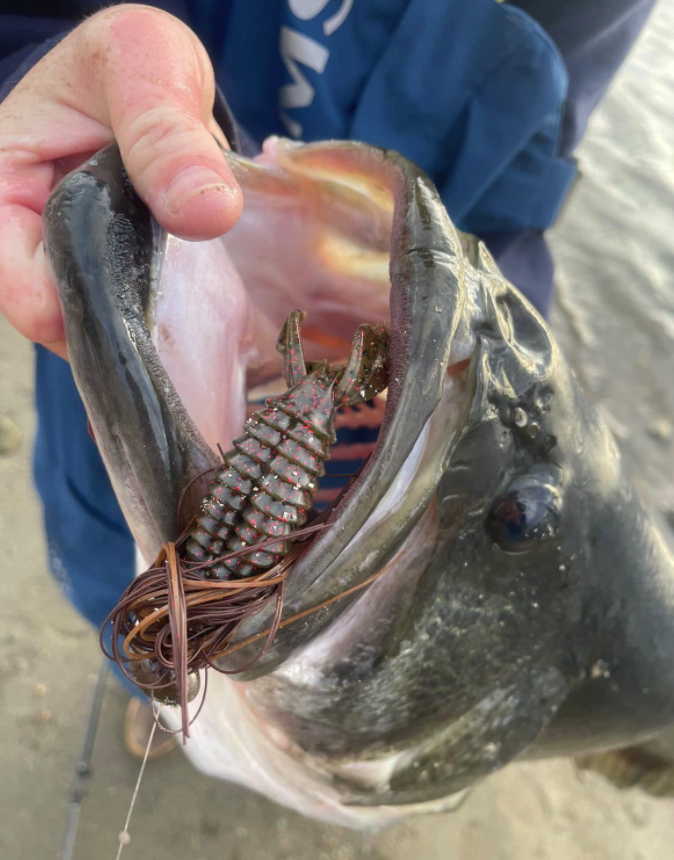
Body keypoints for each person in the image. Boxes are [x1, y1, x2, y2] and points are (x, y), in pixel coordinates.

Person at [0, 0, 657, 758]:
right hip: (167, 325)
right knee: (107, 563)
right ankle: (156, 687)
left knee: (174, 601)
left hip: (378, 388)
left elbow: (524, 173)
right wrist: (30, 66)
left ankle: (174, 681)